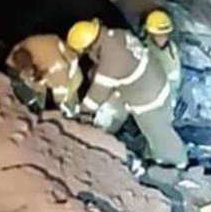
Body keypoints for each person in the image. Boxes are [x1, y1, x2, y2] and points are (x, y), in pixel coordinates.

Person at [67, 18, 188, 167]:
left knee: (159, 135)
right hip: (151, 80)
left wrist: (84, 113)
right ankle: (104, 133)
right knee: (112, 107)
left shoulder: (113, 61)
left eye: (86, 51)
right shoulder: (117, 34)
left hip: (149, 100)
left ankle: (178, 165)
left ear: (90, 45)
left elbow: (98, 92)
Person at [5, 34, 83, 117]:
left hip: (66, 63)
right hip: (43, 57)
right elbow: (18, 75)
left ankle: (73, 113)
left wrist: (59, 102)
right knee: (33, 88)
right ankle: (37, 107)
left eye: (31, 72)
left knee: (68, 91)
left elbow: (62, 87)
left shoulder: (55, 67)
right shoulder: (15, 56)